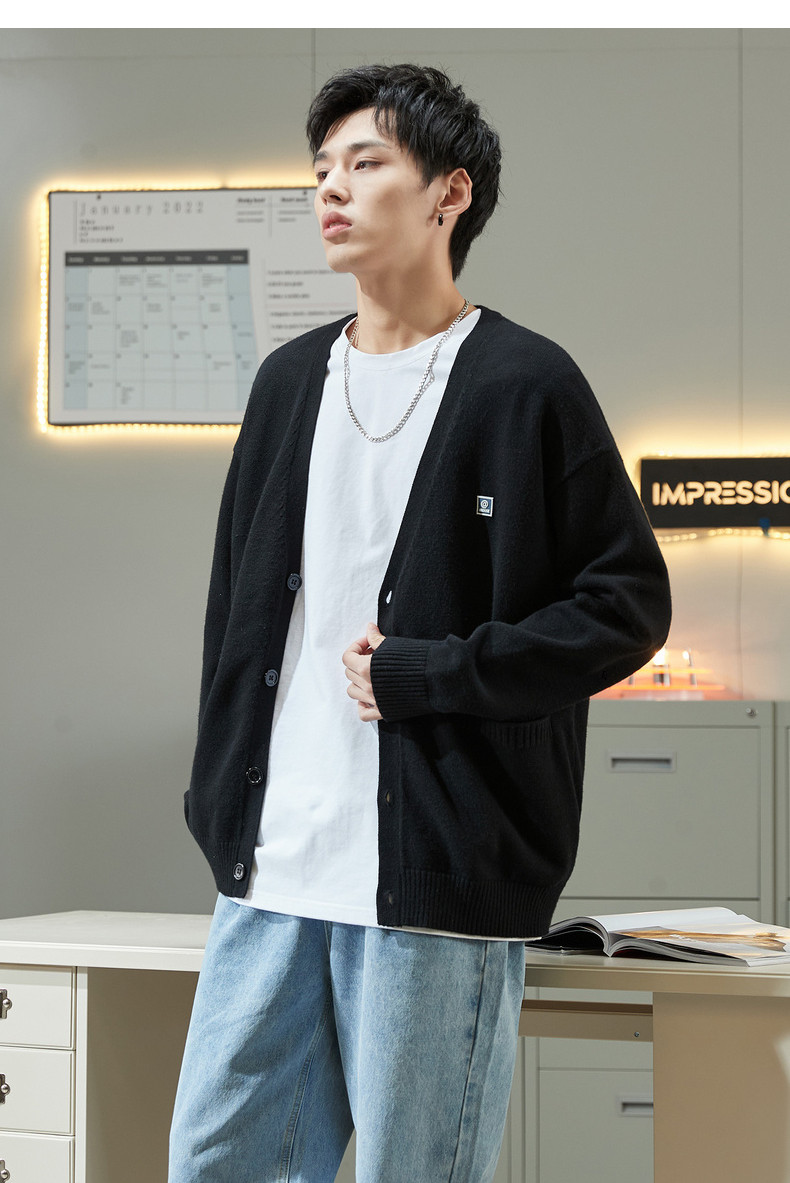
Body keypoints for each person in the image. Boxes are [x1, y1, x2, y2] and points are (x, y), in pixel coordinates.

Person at [169, 63, 671, 1183]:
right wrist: (218, 795)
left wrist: (434, 673)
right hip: (271, 867)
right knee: (213, 1163)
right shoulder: (288, 382)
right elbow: (235, 617)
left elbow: (627, 606)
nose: (330, 188)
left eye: (365, 162)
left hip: (435, 880)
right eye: (320, 169)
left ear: (449, 193)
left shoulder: (525, 383)